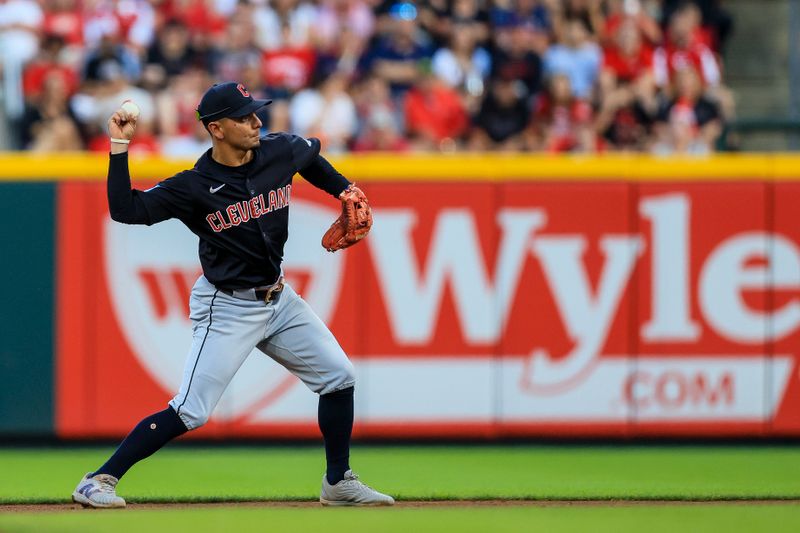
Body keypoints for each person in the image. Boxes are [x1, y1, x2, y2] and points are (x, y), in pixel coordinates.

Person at [71, 81, 394, 508]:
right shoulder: (194, 186)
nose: (256, 121)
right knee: (191, 410)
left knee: (338, 377)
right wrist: (118, 147)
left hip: (279, 300)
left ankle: (338, 482)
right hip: (227, 306)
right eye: (244, 116)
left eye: (255, 112)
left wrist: (343, 189)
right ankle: (98, 480)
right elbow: (125, 210)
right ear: (217, 128)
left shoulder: (277, 150)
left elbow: (309, 156)